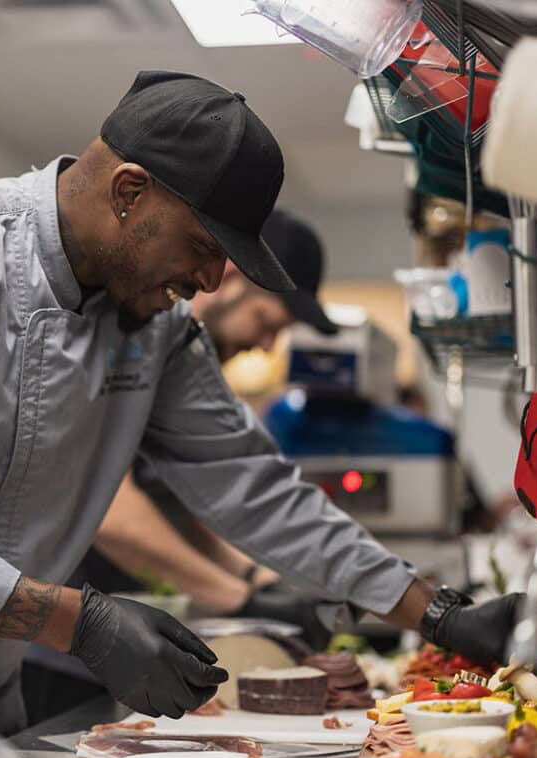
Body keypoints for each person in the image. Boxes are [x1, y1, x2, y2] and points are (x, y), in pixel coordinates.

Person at [0, 70, 527, 758]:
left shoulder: (154, 328)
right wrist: (81, 621)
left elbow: (251, 482)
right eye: (203, 247)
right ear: (129, 192)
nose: (209, 280)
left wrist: (435, 615)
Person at [21, 210, 340, 722]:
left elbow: (177, 504)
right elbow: (114, 514)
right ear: (230, 278)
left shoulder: (177, 372)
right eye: (267, 322)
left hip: (120, 638)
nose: (266, 345)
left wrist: (257, 581)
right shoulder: (124, 345)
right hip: (51, 642)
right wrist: (238, 599)